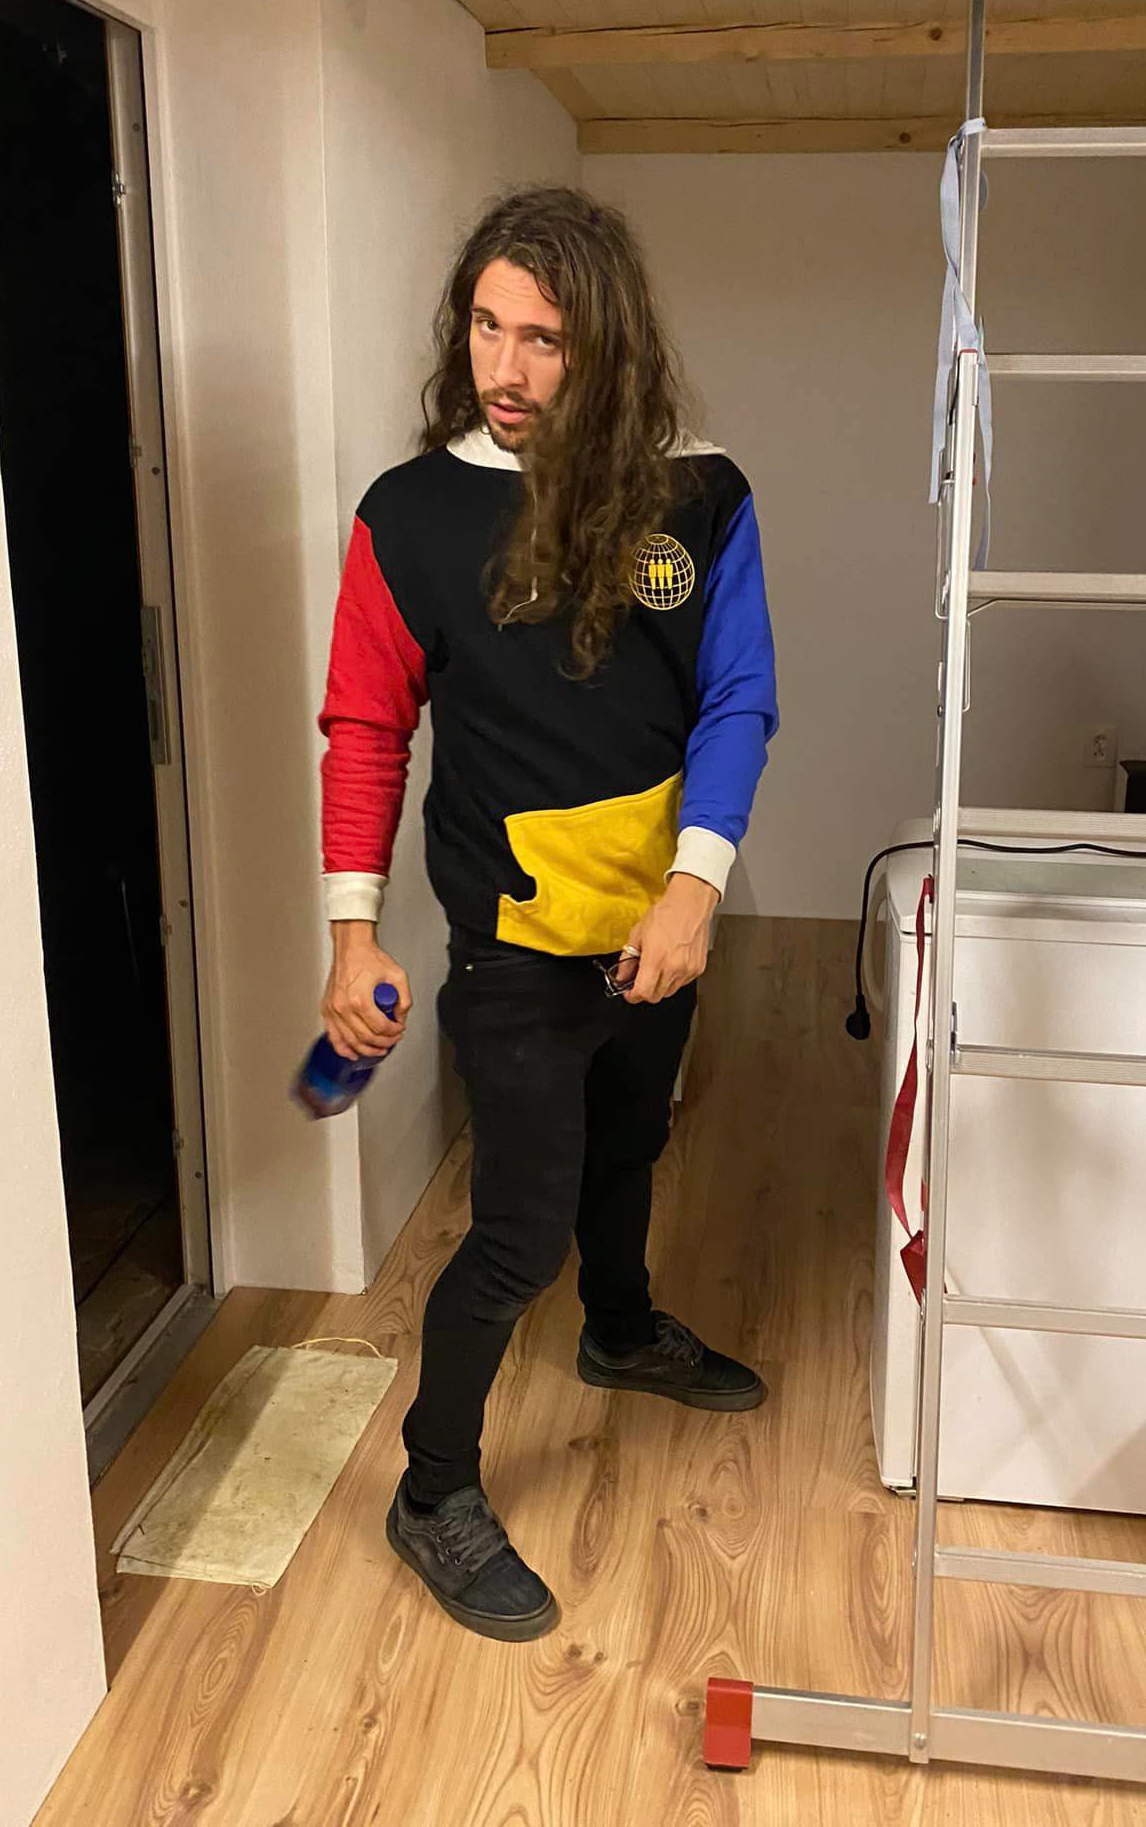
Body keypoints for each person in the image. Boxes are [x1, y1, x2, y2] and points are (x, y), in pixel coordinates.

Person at [316, 187, 778, 1641]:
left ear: (609, 345)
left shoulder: (699, 493)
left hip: (658, 928)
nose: (505, 370)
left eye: (545, 340)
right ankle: (432, 1488)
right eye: (486, 328)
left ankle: (622, 1333)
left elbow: (737, 697)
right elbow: (367, 726)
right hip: (513, 942)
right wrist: (351, 932)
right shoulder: (411, 516)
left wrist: (694, 891)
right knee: (518, 1232)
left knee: (632, 1145)